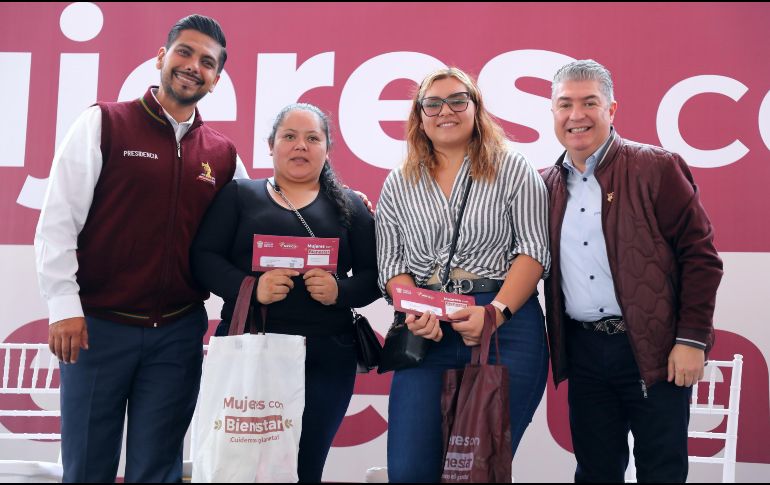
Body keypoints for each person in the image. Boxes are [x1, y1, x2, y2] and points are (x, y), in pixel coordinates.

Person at [34, 14, 249, 482]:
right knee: (88, 466)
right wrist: (62, 306)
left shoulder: (223, 154)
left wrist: (342, 201)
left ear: (216, 80)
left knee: (158, 468)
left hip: (177, 334)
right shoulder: (104, 122)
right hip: (95, 329)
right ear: (161, 57)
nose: (193, 66)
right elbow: (57, 222)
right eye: (185, 53)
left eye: (207, 63)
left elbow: (256, 226)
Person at [541, 59, 724, 483]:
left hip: (655, 349)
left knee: (662, 471)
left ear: (612, 110)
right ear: (553, 113)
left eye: (590, 102)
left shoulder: (657, 167)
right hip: (585, 352)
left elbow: (701, 257)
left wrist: (691, 339)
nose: (577, 115)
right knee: (595, 471)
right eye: (565, 104)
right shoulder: (544, 184)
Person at [376, 67, 550, 482]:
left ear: (476, 109)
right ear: (419, 116)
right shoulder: (399, 183)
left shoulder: (513, 168)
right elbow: (391, 267)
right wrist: (416, 311)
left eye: (457, 100)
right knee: (409, 470)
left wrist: (495, 314)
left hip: (504, 328)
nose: (445, 111)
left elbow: (533, 251)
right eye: (431, 104)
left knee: (478, 470)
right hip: (426, 329)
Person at [190, 102, 379, 482]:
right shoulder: (239, 195)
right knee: (239, 468)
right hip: (249, 351)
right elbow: (203, 258)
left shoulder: (352, 207)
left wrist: (339, 291)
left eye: (312, 138)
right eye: (289, 137)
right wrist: (251, 287)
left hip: (326, 359)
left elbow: (378, 276)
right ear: (270, 145)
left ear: (327, 149)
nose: (300, 146)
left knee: (305, 469)